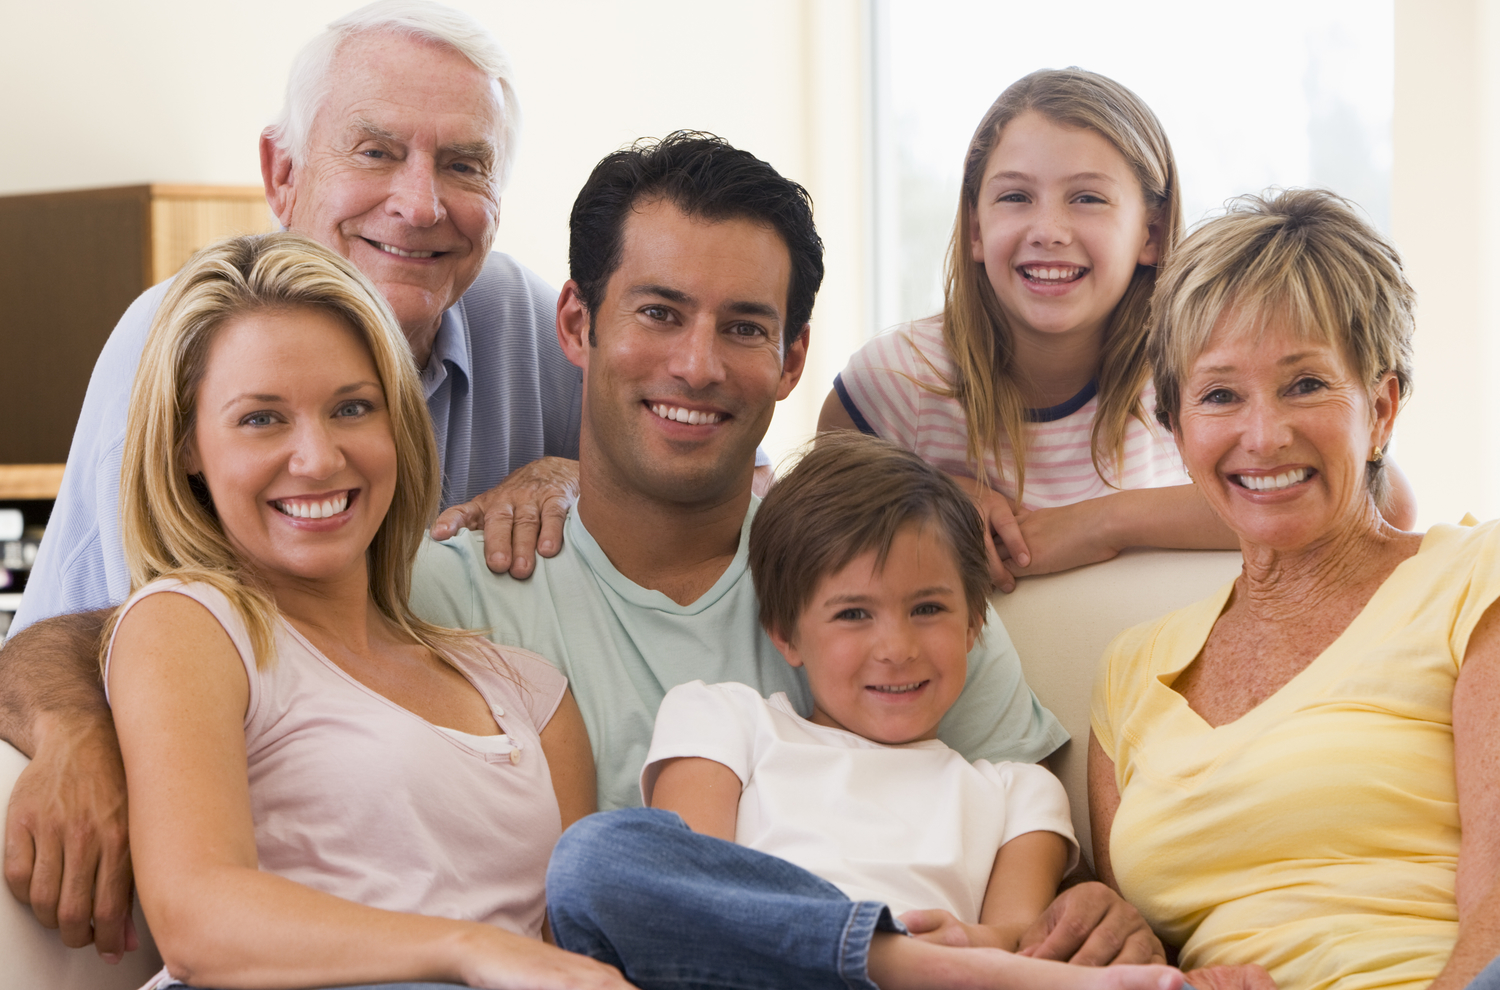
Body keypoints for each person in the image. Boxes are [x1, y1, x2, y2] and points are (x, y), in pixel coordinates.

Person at [412, 130, 1162, 965]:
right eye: (659, 313)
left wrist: (1099, 910)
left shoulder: (895, 588)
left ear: (791, 358)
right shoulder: (450, 596)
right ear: (579, 324)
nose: (698, 366)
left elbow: (1037, 865)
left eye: (743, 328)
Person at [0, 0, 579, 956]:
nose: (421, 202)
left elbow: (722, 480)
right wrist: (76, 736)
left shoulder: (524, 315)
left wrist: (577, 475)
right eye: (376, 150)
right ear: (282, 172)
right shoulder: (179, 341)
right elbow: (58, 633)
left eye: (464, 163)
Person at [105, 231, 623, 990]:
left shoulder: (529, 692)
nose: (317, 458)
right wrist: (473, 948)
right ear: (188, 446)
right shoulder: (189, 624)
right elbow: (198, 918)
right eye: (261, 419)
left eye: (352, 408)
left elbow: (572, 960)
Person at [545, 433, 1182, 990]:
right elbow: (695, 893)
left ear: (973, 626)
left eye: (928, 609)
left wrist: (978, 949)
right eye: (853, 614)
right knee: (594, 856)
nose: (896, 650)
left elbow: (1020, 945)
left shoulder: (1020, 792)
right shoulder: (725, 719)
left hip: (945, 981)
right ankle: (888, 961)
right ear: (786, 634)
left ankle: (902, 968)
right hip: (750, 976)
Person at [1089, 189, 1500, 990]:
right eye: (1219, 395)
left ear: (1379, 410)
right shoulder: (1131, 675)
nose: (1264, 434)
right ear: (1176, 429)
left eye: (1306, 384)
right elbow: (1140, 950)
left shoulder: (1474, 580)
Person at [819, 69, 1414, 592]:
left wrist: (1104, 522)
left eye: (1087, 198)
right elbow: (808, 540)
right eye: (1015, 197)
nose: (1049, 229)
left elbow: (1382, 499)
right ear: (975, 229)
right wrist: (925, 497)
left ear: (1150, 233)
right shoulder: (896, 382)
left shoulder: (1198, 376)